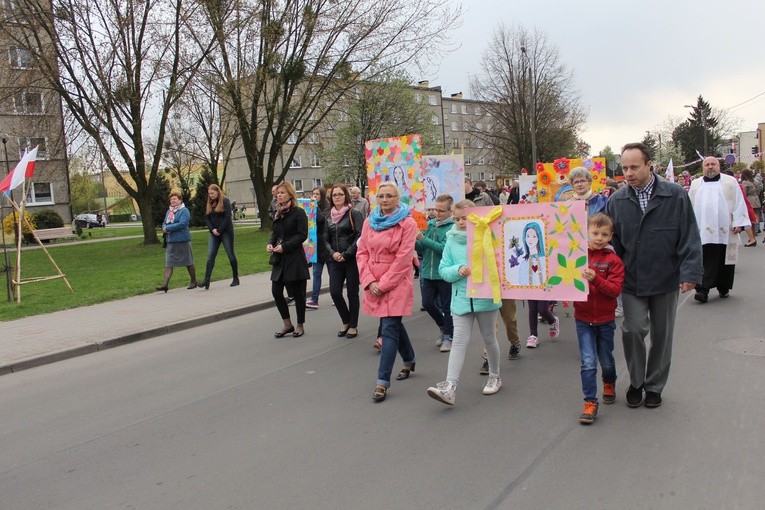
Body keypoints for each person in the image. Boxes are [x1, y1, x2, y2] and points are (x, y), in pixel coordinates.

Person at [606, 142, 702, 408]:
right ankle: (636, 382)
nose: (628, 173)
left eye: (634, 166)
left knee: (662, 334)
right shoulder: (617, 201)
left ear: (650, 165)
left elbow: (689, 235)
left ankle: (655, 385)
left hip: (665, 277)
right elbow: (611, 242)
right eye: (624, 167)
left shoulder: (675, 195)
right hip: (632, 279)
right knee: (632, 329)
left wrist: (690, 272)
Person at [426, 199, 502, 405]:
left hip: (485, 298)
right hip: (460, 299)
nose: (460, 222)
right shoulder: (451, 240)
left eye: (465, 218)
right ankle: (450, 386)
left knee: (489, 339)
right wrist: (457, 269)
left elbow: (499, 262)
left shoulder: (488, 234)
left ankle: (495, 375)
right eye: (457, 218)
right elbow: (444, 269)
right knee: (458, 341)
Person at [356, 182, 418, 403]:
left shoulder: (408, 224)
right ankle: (409, 359)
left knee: (389, 327)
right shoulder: (369, 222)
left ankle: (382, 381)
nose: (384, 200)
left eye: (389, 196)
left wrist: (383, 285)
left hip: (397, 282)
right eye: (381, 196)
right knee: (393, 324)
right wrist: (369, 280)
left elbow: (403, 260)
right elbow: (361, 253)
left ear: (397, 198)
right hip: (373, 280)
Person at [573, 213, 624, 424]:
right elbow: (566, 280)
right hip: (583, 319)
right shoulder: (577, 257)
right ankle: (590, 402)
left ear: (611, 236)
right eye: (594, 233)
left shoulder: (614, 261)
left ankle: (609, 382)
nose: (599, 238)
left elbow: (615, 290)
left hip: (605, 320)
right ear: (586, 233)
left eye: (604, 234)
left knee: (606, 360)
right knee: (587, 362)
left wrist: (596, 280)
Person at [688, 158, 750, 303]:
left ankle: (723, 286)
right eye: (707, 165)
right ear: (703, 168)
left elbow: (739, 202)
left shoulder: (730, 182)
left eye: (713, 164)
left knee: (725, 258)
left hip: (725, 228)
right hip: (702, 229)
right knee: (704, 259)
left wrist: (739, 222)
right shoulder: (696, 184)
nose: (710, 167)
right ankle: (702, 290)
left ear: (719, 166)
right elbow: (689, 205)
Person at [267, 182, 309, 338]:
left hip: (294, 257)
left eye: (282, 193)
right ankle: (287, 323)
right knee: (276, 291)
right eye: (278, 193)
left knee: (298, 294)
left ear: (290, 195)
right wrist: (270, 244)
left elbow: (302, 235)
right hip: (279, 259)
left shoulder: (298, 213)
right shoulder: (278, 213)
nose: (279, 195)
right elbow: (275, 233)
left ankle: (299, 325)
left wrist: (285, 246)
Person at [415, 194, 455, 352]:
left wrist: (422, 239)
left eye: (441, 211)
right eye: (435, 210)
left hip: (443, 273)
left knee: (446, 306)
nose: (437, 213)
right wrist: (414, 241)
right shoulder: (429, 224)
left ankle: (448, 336)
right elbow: (422, 248)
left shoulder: (452, 228)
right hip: (427, 272)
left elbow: (442, 249)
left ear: (450, 211)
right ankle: (443, 326)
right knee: (427, 303)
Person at [325, 184, 364, 339]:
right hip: (335, 260)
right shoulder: (328, 216)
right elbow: (325, 239)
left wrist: (347, 253)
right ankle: (345, 320)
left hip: (351, 259)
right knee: (335, 292)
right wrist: (333, 253)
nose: (337, 197)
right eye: (334, 195)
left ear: (346, 196)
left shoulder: (354, 213)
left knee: (352, 293)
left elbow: (360, 236)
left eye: (340, 194)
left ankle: (353, 325)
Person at [517, 222, 559, 347]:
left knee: (542, 310)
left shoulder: (544, 258)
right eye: (528, 236)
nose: (530, 239)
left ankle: (552, 320)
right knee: (532, 310)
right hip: (530, 287)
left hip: (543, 287)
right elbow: (521, 275)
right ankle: (533, 335)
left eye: (534, 236)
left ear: (539, 237)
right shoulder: (524, 259)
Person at [199, 184, 239, 290]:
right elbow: (207, 218)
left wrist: (219, 230)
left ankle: (235, 277)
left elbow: (227, 218)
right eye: (209, 194)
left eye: (212, 193)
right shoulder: (210, 202)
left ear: (218, 192)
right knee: (210, 256)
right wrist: (212, 230)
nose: (211, 195)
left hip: (226, 232)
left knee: (230, 254)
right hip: (214, 233)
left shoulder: (225, 201)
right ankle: (206, 280)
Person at [156, 189, 197, 292]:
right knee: (169, 263)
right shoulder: (169, 211)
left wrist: (168, 228)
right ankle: (165, 285)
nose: (172, 201)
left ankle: (193, 281)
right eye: (171, 199)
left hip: (182, 240)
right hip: (170, 241)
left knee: (188, 262)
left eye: (175, 199)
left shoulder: (184, 211)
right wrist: (164, 227)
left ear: (180, 200)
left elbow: (182, 224)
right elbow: (165, 223)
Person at [306, 186, 330, 309]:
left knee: (333, 273)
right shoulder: (312, 206)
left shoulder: (328, 207)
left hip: (328, 245)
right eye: (313, 194)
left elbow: (322, 220)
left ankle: (336, 296)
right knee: (316, 274)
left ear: (322, 195)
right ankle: (314, 299)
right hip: (316, 246)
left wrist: (314, 206)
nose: (314, 196)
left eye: (317, 194)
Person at [740, 169, 761, 241]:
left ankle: (751, 237)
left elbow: (744, 193)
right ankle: (754, 235)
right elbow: (759, 191)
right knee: (755, 219)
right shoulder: (755, 181)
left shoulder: (745, 182)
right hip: (756, 200)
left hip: (749, 201)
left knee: (749, 219)